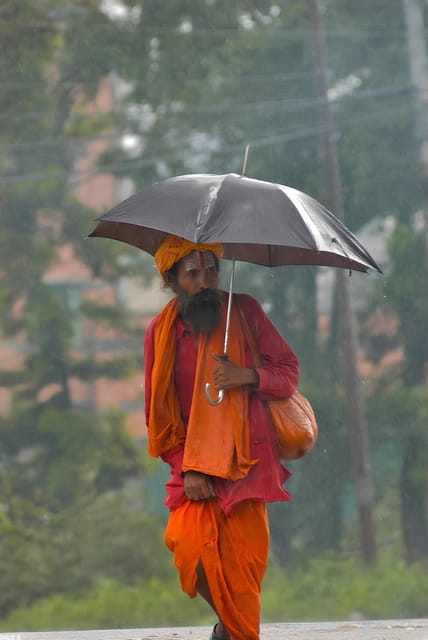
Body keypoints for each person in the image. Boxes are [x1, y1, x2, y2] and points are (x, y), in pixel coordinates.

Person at [144, 235, 299, 640]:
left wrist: (246, 376)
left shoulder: (244, 311)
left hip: (246, 462)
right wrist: (186, 466)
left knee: (243, 568)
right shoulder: (160, 332)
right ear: (171, 279)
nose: (205, 280)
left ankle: (234, 633)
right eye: (193, 272)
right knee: (188, 548)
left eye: (211, 269)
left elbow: (287, 373)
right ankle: (231, 629)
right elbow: (157, 415)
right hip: (195, 470)